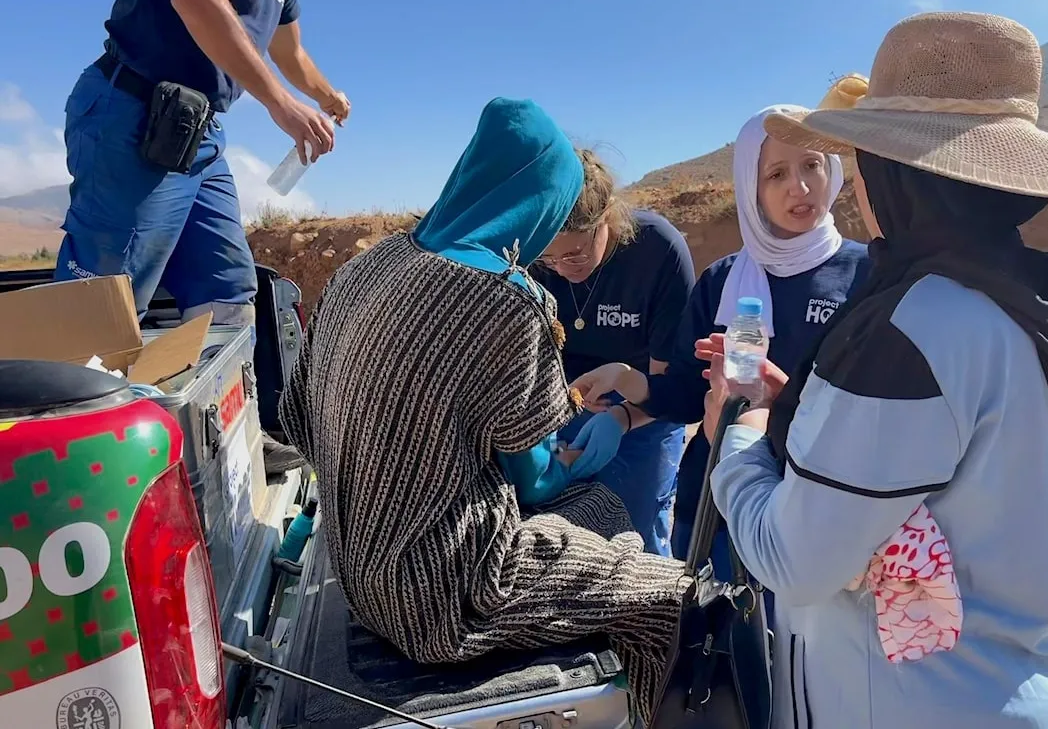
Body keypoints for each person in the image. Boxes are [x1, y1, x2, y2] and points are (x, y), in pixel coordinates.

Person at [702, 12, 1048, 728]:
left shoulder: (914, 328)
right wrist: (807, 414)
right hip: (1020, 691)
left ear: (898, 176)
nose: (854, 191)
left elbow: (791, 559)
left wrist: (737, 431)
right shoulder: (1016, 297)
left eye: (865, 164)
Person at [277, 97, 686, 725]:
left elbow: (300, 420)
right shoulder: (503, 298)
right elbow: (539, 478)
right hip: (446, 595)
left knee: (603, 515)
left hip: (357, 568)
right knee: (665, 598)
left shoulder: (365, 268)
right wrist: (575, 457)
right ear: (548, 204)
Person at [572, 100, 870, 582]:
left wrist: (780, 399)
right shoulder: (723, 281)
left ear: (832, 170)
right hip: (717, 499)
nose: (799, 186)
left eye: (812, 165)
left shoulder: (865, 274)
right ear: (752, 188)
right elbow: (691, 397)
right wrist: (629, 381)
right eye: (776, 174)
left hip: (820, 500)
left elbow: (872, 406)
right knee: (719, 638)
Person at [54, 0, 349, 471]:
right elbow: (196, 1)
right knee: (107, 300)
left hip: (197, 129)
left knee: (227, 289)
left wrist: (326, 94)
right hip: (133, 108)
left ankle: (230, 433)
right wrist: (283, 105)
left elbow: (290, 53)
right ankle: (68, 460)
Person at [529, 151, 695, 555]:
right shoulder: (538, 260)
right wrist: (553, 416)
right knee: (560, 537)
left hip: (647, 407)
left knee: (635, 534)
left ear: (606, 218)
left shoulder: (658, 252)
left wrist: (622, 417)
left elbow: (671, 388)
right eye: (550, 257)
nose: (563, 267)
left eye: (575, 254)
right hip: (563, 403)